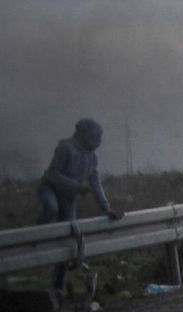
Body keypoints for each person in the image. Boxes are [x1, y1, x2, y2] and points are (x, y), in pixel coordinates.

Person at [37, 118, 123, 293]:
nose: (98, 141)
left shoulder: (92, 157)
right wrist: (75, 186)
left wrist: (106, 208)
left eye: (100, 137)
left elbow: (95, 183)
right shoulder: (66, 148)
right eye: (94, 137)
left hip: (68, 197)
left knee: (69, 239)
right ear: (83, 135)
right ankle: (36, 238)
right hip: (51, 189)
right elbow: (53, 174)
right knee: (51, 208)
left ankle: (57, 284)